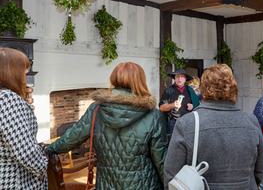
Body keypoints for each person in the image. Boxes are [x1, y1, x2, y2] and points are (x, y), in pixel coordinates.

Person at [48, 62, 167, 190]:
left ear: (114, 78)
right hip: (144, 185)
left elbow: (72, 137)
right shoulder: (154, 115)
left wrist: (49, 149)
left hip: (106, 184)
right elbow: (160, 161)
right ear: (141, 81)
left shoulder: (96, 109)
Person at [164, 64, 263, 189]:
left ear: (203, 89)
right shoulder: (251, 121)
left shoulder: (187, 123)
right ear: (233, 87)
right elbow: (259, 172)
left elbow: (171, 175)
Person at [0, 47, 48, 189]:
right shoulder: (8, 99)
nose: (26, 76)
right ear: (11, 72)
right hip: (17, 181)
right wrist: (44, 165)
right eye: (24, 71)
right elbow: (26, 151)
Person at [159, 69, 200, 137]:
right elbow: (161, 108)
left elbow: (198, 104)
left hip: (188, 122)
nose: (179, 79)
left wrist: (193, 106)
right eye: (177, 76)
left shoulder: (190, 90)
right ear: (174, 78)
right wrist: (173, 105)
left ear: (185, 79)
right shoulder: (168, 90)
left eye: (182, 77)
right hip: (174, 123)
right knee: (173, 144)